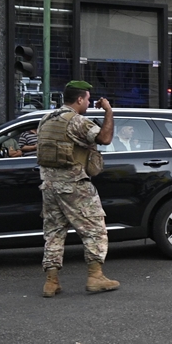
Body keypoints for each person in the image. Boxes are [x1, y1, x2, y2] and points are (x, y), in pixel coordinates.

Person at [37, 80, 119, 297]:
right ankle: (95, 276)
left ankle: (51, 281)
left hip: (49, 187)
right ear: (80, 99)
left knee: (54, 233)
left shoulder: (46, 119)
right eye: (88, 99)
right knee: (94, 229)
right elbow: (105, 138)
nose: (89, 102)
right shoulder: (77, 121)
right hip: (74, 186)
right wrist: (108, 111)